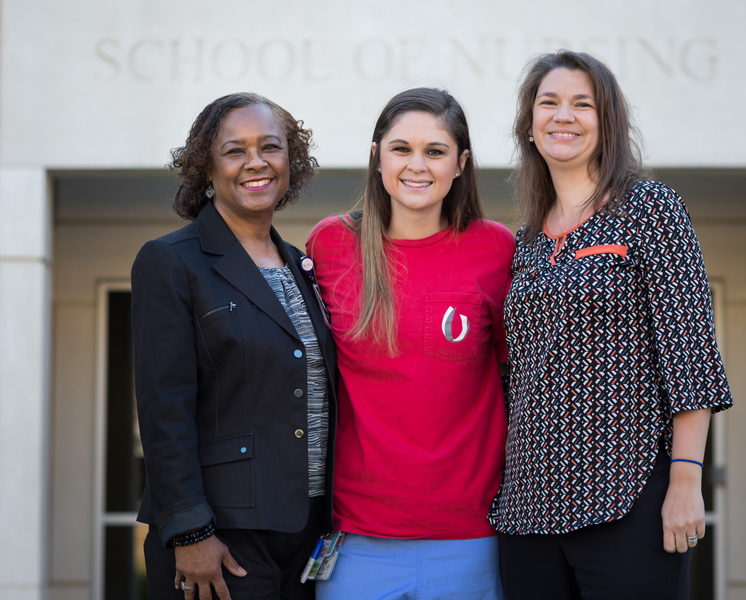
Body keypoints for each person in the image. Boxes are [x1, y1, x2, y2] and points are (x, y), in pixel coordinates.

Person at [489, 50, 733, 599]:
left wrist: (686, 481)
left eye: (583, 104)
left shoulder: (651, 208)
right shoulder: (525, 239)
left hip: (629, 495)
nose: (563, 116)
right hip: (529, 507)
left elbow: (689, 352)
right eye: (548, 103)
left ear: (608, 123)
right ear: (530, 124)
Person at [306, 88, 514, 599]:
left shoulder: (496, 248)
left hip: (471, 535)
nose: (417, 165)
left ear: (461, 164)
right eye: (401, 149)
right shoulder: (330, 244)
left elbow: (523, 380)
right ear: (377, 157)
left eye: (436, 151)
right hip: (356, 537)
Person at [131, 92, 337, 600]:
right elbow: (164, 410)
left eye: (271, 147)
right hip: (221, 538)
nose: (256, 162)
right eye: (234, 150)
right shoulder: (171, 262)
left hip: (305, 533)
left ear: (292, 163)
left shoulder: (302, 266)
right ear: (206, 166)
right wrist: (190, 532)